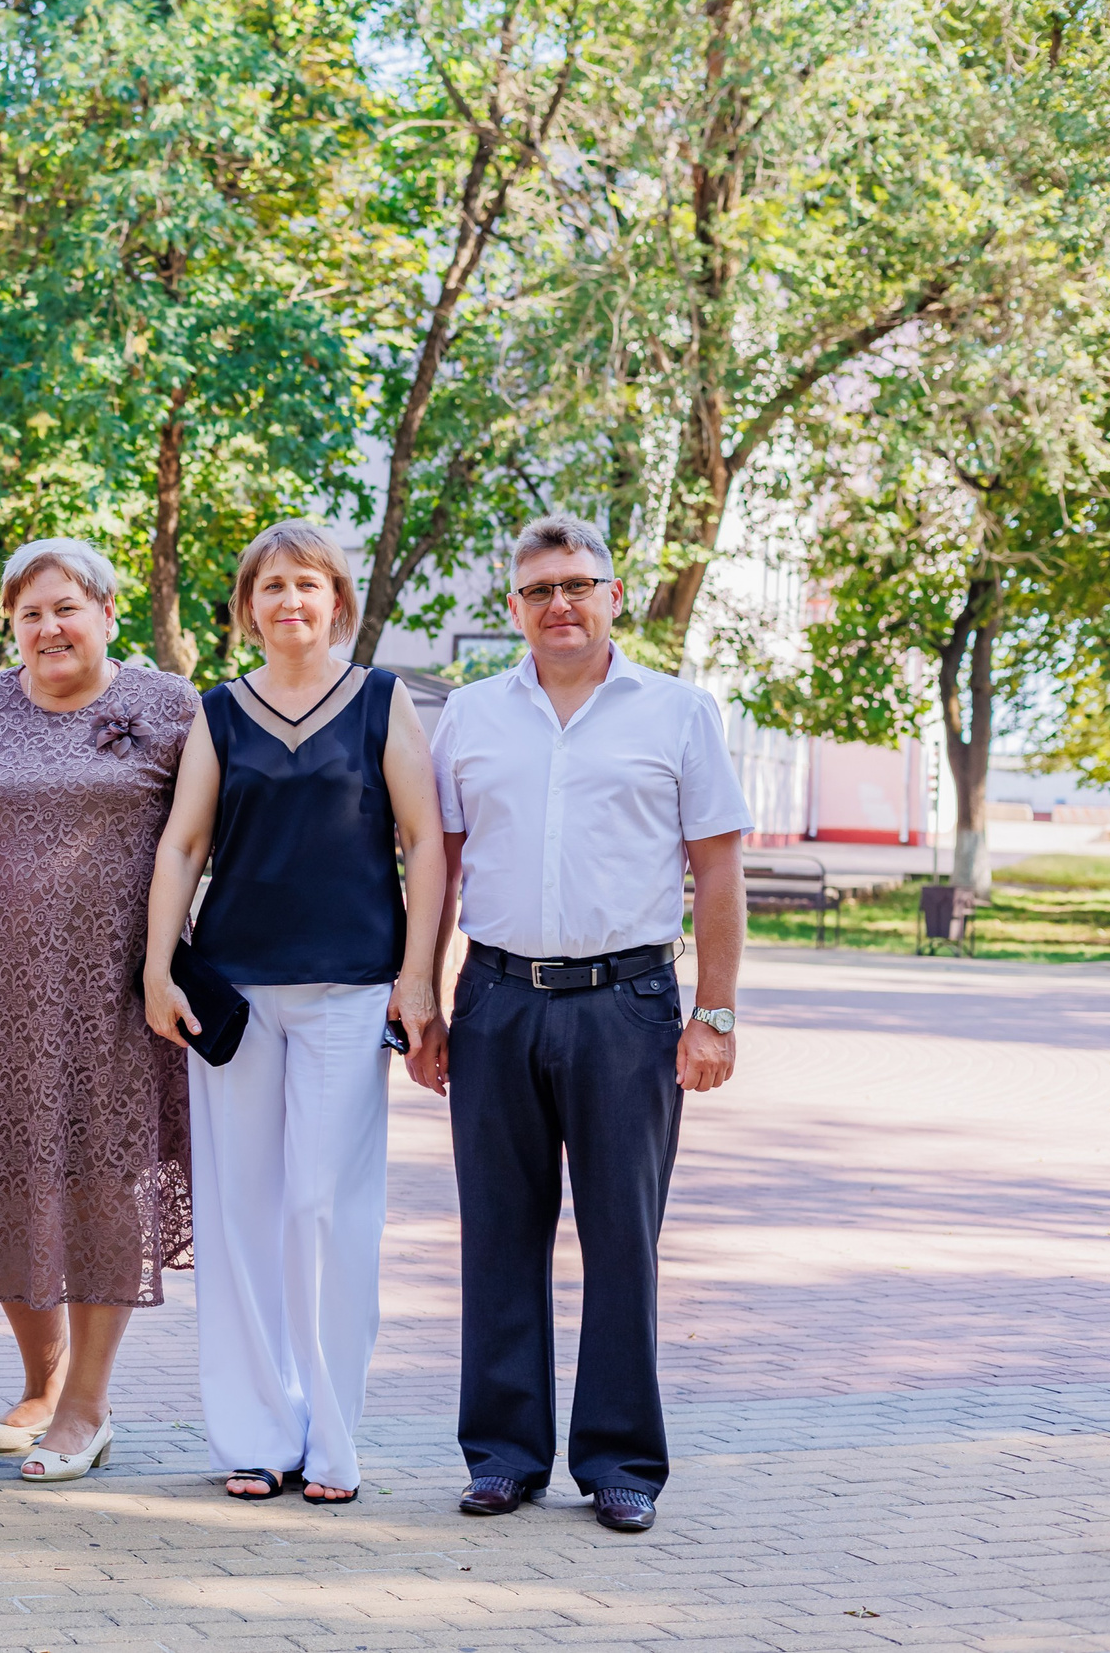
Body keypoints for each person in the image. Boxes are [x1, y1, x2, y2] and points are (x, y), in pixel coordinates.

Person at [429, 513, 750, 1535]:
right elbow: (434, 871)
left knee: (623, 1239)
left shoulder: (678, 713)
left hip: (628, 1006)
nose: (559, 603)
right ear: (514, 606)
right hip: (494, 999)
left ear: (611, 593)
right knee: (497, 1235)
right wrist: (420, 1003)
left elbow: (717, 874)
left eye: (577, 583)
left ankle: (619, 1464)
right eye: (538, 589)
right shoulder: (469, 717)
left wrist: (716, 1015)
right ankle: (504, 1456)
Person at [141, 521, 448, 1505]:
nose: (289, 603)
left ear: (337, 600)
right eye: (270, 587)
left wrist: (418, 977)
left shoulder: (381, 702)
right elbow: (183, 847)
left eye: (307, 586)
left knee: (325, 1210)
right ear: (247, 606)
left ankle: (332, 1439)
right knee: (240, 1218)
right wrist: (158, 970)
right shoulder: (220, 713)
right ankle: (257, 1436)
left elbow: (425, 844)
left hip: (351, 990)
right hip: (236, 994)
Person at [0, 537, 198, 1484]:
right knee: (5, 1174)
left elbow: (203, 838)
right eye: (29, 613)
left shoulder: (169, 706)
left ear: (106, 611)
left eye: (66, 608)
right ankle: (41, 1379)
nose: (49, 627)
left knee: (102, 1180)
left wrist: (170, 964)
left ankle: (88, 1401)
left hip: (116, 989)